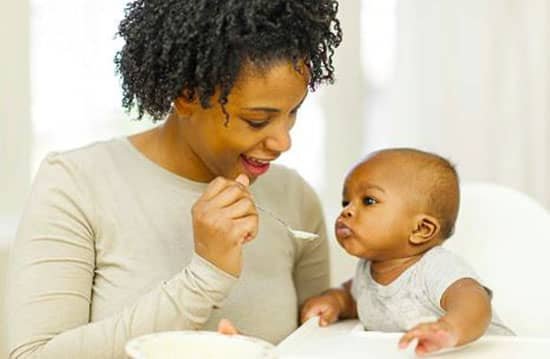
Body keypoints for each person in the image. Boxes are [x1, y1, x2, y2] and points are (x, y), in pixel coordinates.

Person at [6, 1, 342, 358]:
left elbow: (315, 345)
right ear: (187, 95)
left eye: (293, 112)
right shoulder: (76, 184)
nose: (283, 142)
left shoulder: (296, 199)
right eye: (257, 120)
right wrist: (205, 277)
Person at [301, 148, 514, 356]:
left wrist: (449, 330)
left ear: (421, 229)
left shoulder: (435, 268)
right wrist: (336, 302)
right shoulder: (367, 270)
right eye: (346, 202)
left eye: (369, 201)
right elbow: (355, 298)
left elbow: (474, 304)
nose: (346, 211)